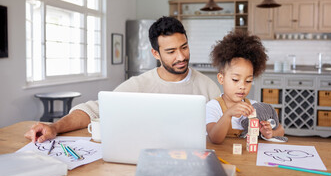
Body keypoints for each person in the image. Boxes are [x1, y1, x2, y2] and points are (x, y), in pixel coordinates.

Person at [25, 16, 221, 143]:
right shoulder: (138, 85)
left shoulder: (208, 87)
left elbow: (226, 128)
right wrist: (54, 127)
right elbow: (94, 109)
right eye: (171, 51)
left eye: (184, 47)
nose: (181, 57)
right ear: (155, 53)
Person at [206, 30, 285, 144]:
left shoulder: (253, 106)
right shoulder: (213, 107)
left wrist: (269, 133)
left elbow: (281, 130)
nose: (242, 86)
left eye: (248, 81)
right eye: (235, 80)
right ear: (221, 79)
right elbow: (215, 138)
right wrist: (228, 114)